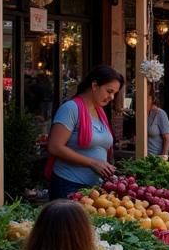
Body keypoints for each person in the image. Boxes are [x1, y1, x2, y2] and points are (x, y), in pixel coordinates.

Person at [46, 65, 123, 200]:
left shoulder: (100, 112)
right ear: (94, 85)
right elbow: (54, 147)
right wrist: (93, 163)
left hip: (94, 189)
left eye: (114, 93)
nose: (111, 97)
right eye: (109, 91)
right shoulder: (71, 108)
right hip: (68, 185)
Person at [147, 85, 169, 159]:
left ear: (152, 99)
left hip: (156, 158)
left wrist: (163, 158)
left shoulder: (160, 114)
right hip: (141, 157)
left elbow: (167, 139)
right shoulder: (141, 114)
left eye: (147, 98)